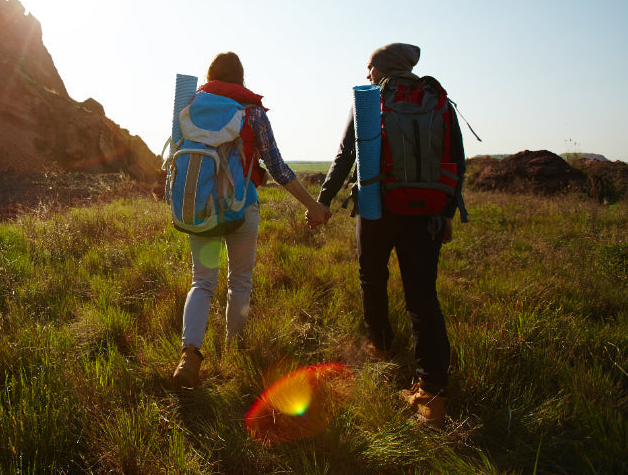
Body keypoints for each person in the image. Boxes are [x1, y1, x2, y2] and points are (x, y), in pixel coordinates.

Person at [312, 43, 465, 427]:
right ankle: (432, 393)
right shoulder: (439, 103)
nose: (366, 75)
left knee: (372, 278)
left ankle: (379, 347)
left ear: (382, 69)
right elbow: (456, 161)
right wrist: (446, 212)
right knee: (422, 296)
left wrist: (323, 200)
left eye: (370, 67)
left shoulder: (369, 101)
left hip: (378, 209)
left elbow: (346, 153)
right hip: (426, 214)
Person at [172, 52, 331, 390]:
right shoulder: (253, 114)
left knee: (202, 282)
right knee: (239, 283)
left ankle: (189, 355)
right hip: (242, 211)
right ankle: (235, 352)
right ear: (241, 78)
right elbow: (278, 167)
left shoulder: (190, 108)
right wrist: (314, 206)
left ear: (210, 76)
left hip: (200, 210)